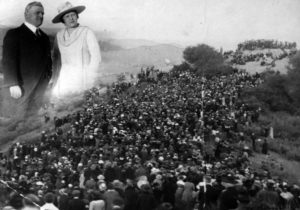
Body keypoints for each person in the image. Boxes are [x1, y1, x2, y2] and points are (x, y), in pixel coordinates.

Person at [1, 1, 52, 123]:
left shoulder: (44, 37)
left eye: (42, 13)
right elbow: (8, 60)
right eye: (37, 13)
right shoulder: (14, 34)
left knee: (32, 120)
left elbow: (47, 60)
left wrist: (48, 77)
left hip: (40, 90)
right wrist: (12, 83)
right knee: (16, 121)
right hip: (20, 89)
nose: (40, 16)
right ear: (26, 14)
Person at [51, 1, 101, 97]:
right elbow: (56, 59)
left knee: (78, 104)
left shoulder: (86, 32)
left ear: (77, 16)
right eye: (67, 16)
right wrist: (54, 78)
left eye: (73, 15)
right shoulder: (59, 35)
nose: (71, 18)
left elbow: (96, 57)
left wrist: (90, 77)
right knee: (62, 104)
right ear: (63, 20)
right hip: (65, 77)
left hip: (82, 77)